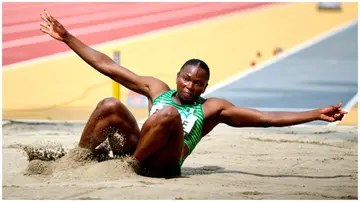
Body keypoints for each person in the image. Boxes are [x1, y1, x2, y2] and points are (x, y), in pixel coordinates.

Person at [40, 10, 347, 178]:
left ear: (205, 87)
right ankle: (78, 158)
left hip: (165, 165)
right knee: (110, 104)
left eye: (198, 83)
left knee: (169, 116)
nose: (190, 86)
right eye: (186, 79)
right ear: (177, 77)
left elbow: (264, 118)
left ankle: (129, 166)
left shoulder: (212, 109)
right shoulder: (157, 90)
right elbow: (108, 66)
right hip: (143, 144)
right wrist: (67, 37)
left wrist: (314, 114)